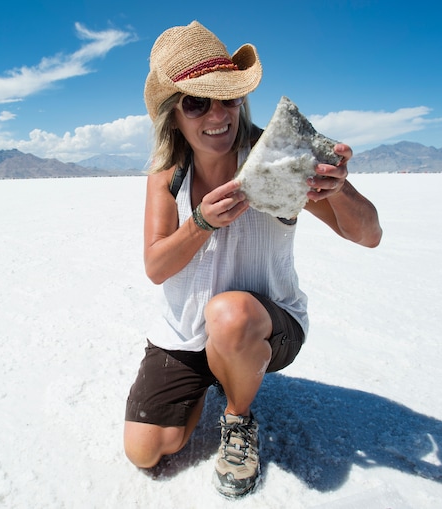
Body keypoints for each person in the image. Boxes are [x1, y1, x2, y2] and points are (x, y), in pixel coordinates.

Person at [123, 21, 382, 498]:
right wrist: (201, 222)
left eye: (229, 98)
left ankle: (238, 417)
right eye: (197, 102)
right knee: (148, 450)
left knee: (230, 314)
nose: (217, 114)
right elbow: (156, 266)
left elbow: (368, 235)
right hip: (186, 332)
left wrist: (339, 191)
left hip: (265, 325)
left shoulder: (280, 157)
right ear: (173, 115)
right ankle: (212, 375)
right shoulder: (167, 175)